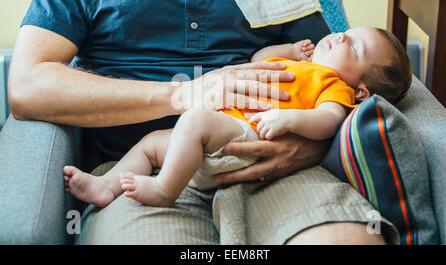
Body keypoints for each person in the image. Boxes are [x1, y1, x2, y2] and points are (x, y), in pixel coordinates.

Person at [9, 0, 400, 244]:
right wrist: (185, 95)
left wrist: (310, 145)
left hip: (274, 165)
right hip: (143, 172)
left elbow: (334, 79)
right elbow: (28, 87)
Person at [63, 26, 412, 207]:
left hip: (246, 137)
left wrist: (290, 122)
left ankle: (165, 189)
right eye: (345, 33)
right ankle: (108, 186)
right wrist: (288, 51)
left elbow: (329, 119)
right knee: (151, 144)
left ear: (362, 91)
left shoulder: (334, 85)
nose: (339, 36)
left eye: (352, 45)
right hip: (219, 140)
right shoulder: (302, 64)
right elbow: (261, 57)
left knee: (193, 122)